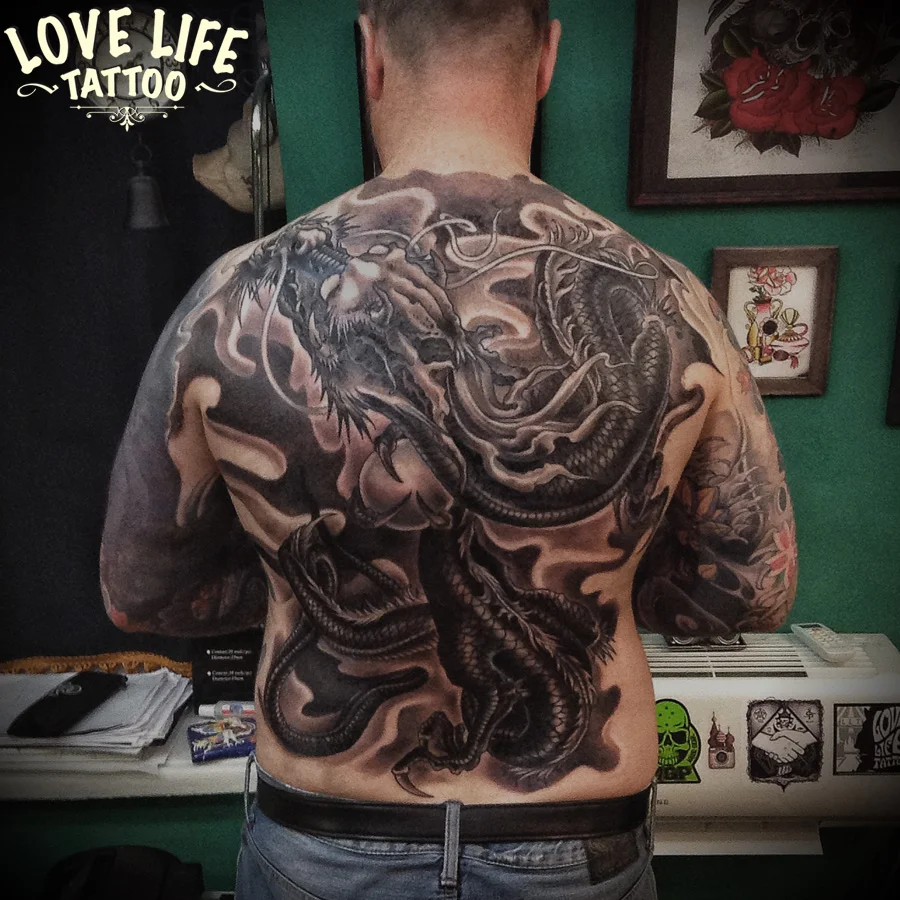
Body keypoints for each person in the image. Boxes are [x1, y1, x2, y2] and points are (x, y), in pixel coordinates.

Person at [100, 1, 799, 897]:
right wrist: (597, 576)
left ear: (370, 54)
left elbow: (141, 593)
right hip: (574, 840)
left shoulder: (231, 300)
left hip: (327, 840)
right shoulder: (673, 302)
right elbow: (751, 589)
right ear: (546, 58)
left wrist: (301, 584)